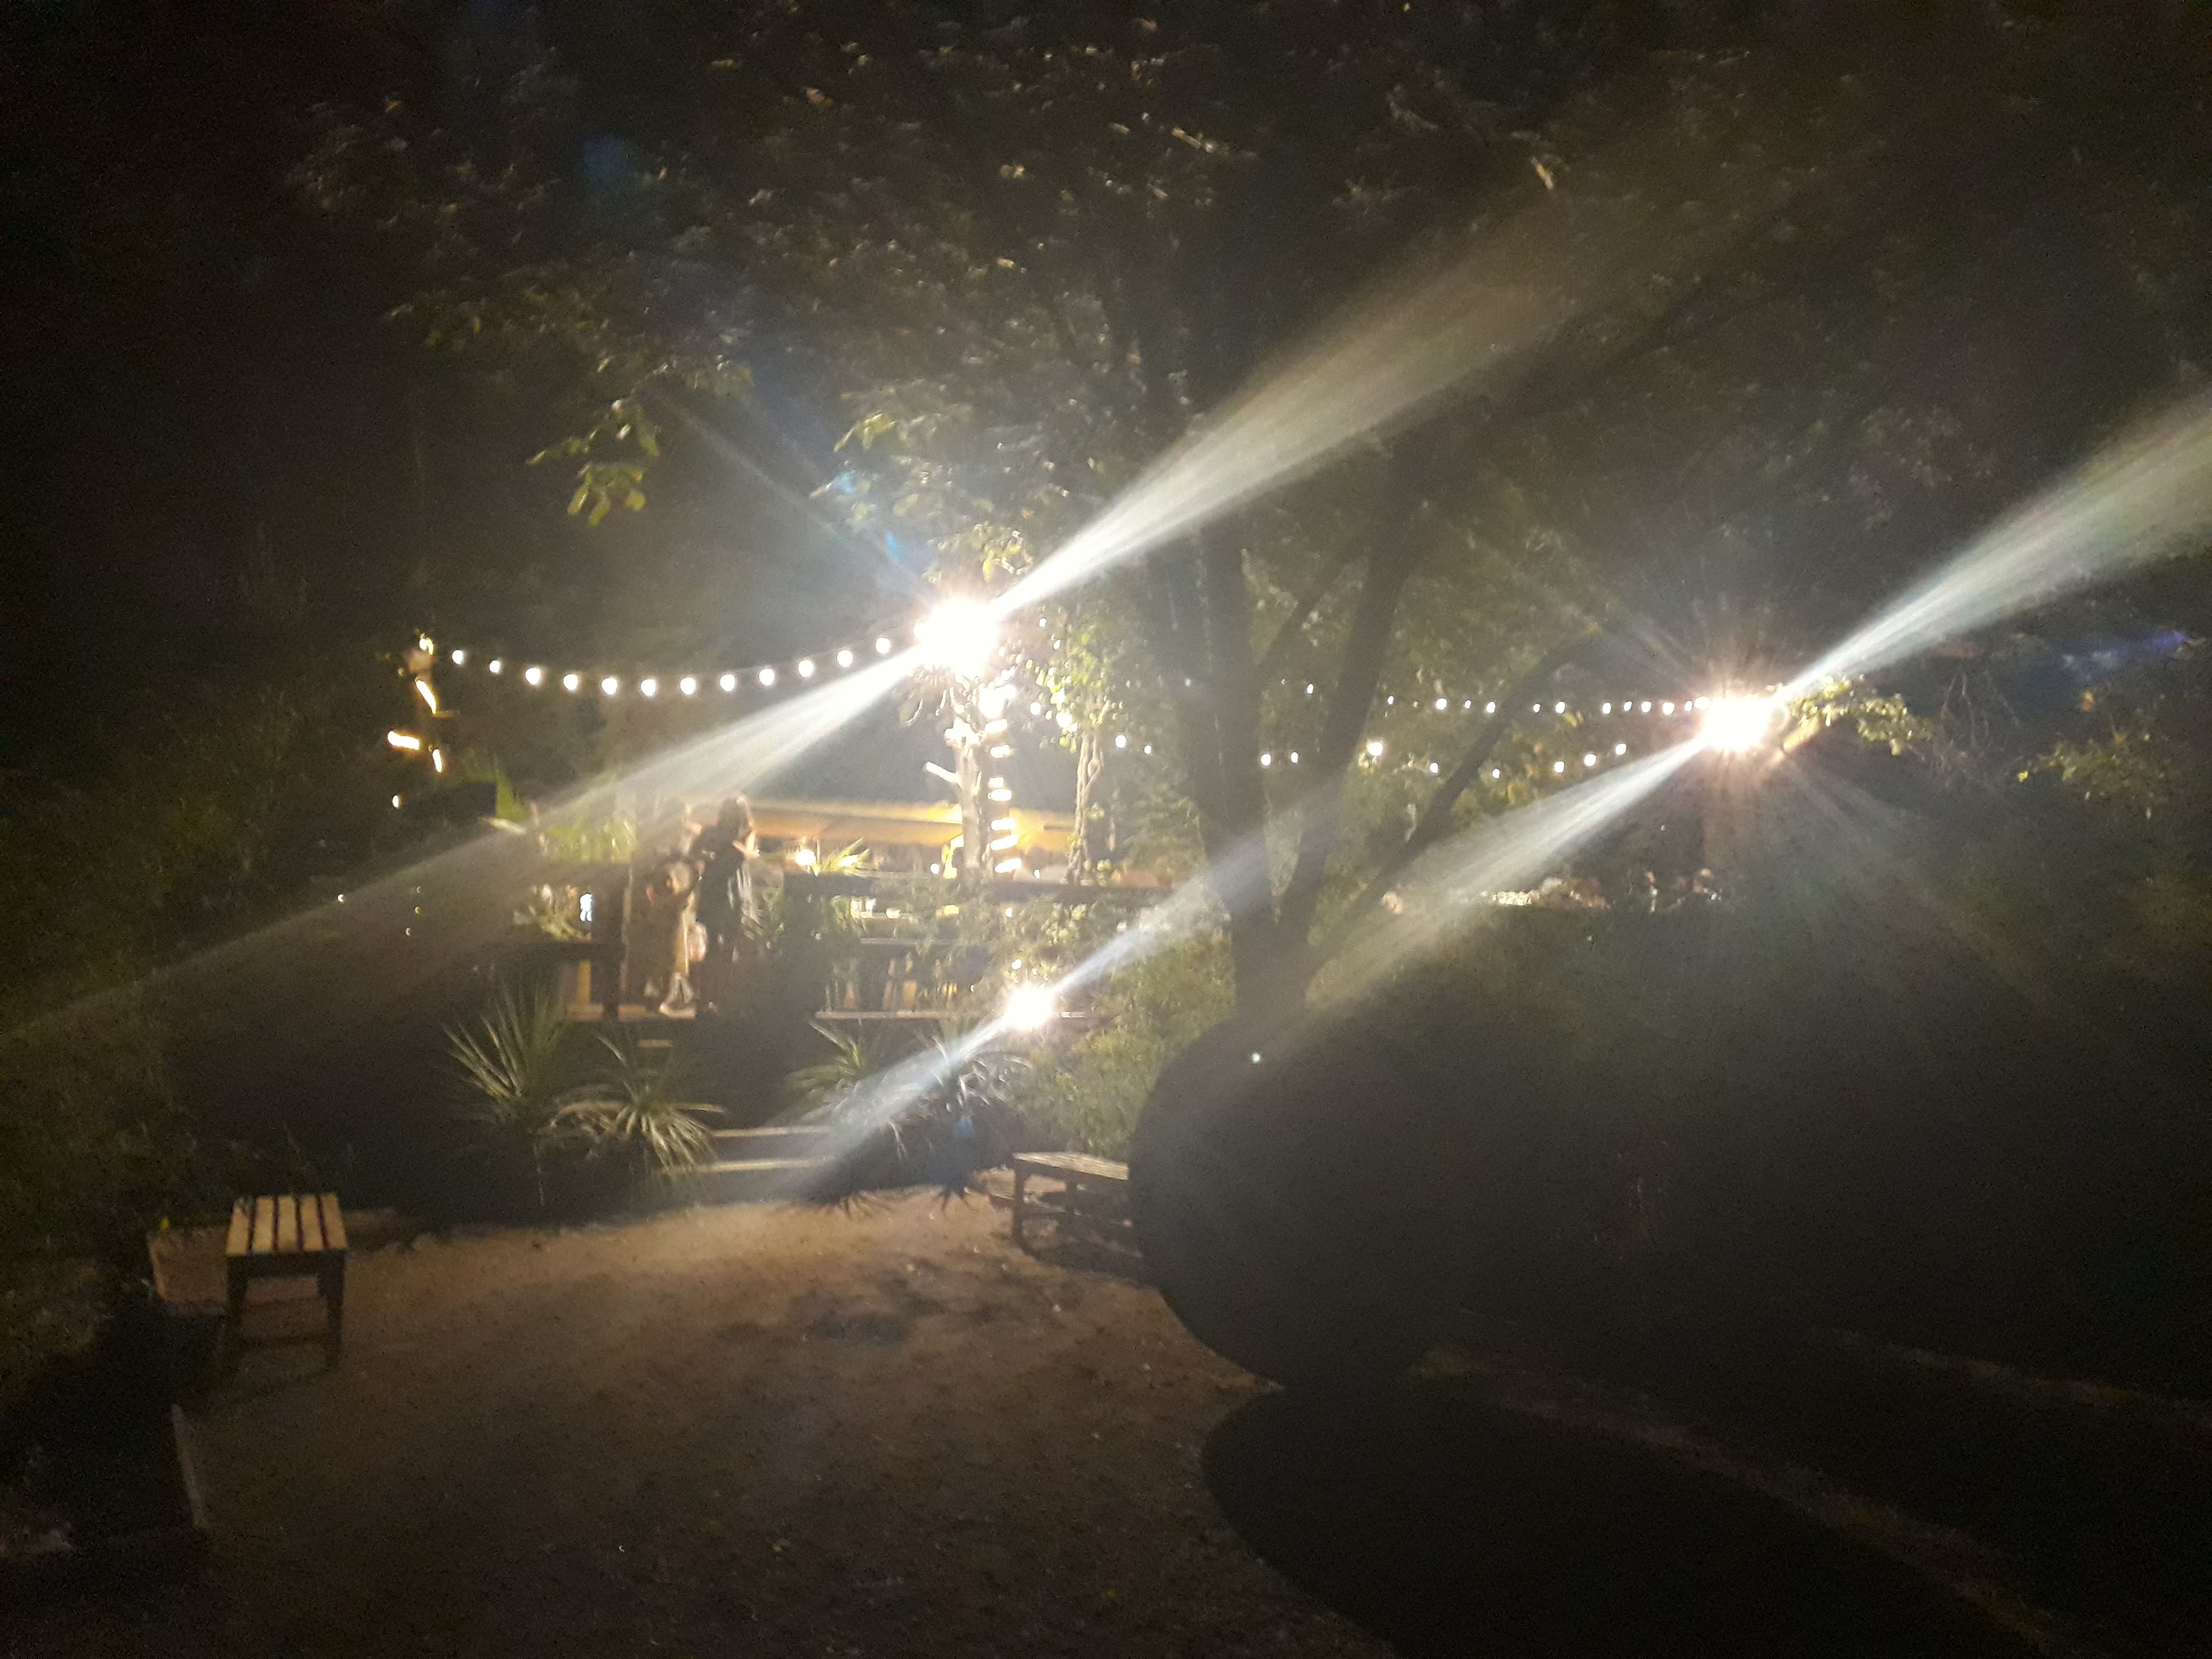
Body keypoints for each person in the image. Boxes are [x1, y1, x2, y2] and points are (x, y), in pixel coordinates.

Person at [690, 797, 756, 1012]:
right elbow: (694, 852)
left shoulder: (746, 834)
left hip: (736, 893)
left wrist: (727, 845)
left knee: (729, 947)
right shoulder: (711, 833)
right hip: (717, 892)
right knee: (714, 946)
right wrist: (709, 855)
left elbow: (746, 855)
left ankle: (721, 997)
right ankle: (707, 997)